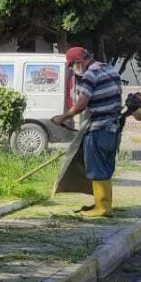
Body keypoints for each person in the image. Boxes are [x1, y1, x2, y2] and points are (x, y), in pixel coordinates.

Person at [51, 46, 122, 218]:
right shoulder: (109, 69)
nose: (73, 69)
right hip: (113, 127)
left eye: (72, 65)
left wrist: (62, 117)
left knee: (97, 167)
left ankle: (103, 208)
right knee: (105, 166)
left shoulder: (91, 74)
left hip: (98, 127)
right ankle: (102, 203)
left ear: (80, 61)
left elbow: (82, 104)